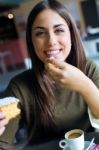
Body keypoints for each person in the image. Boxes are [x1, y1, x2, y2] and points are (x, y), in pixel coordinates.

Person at [0, 0, 99, 149]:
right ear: (31, 41)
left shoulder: (88, 69)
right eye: (40, 33)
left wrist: (84, 85)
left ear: (71, 35)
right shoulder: (19, 87)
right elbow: (3, 142)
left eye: (59, 30)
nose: (51, 41)